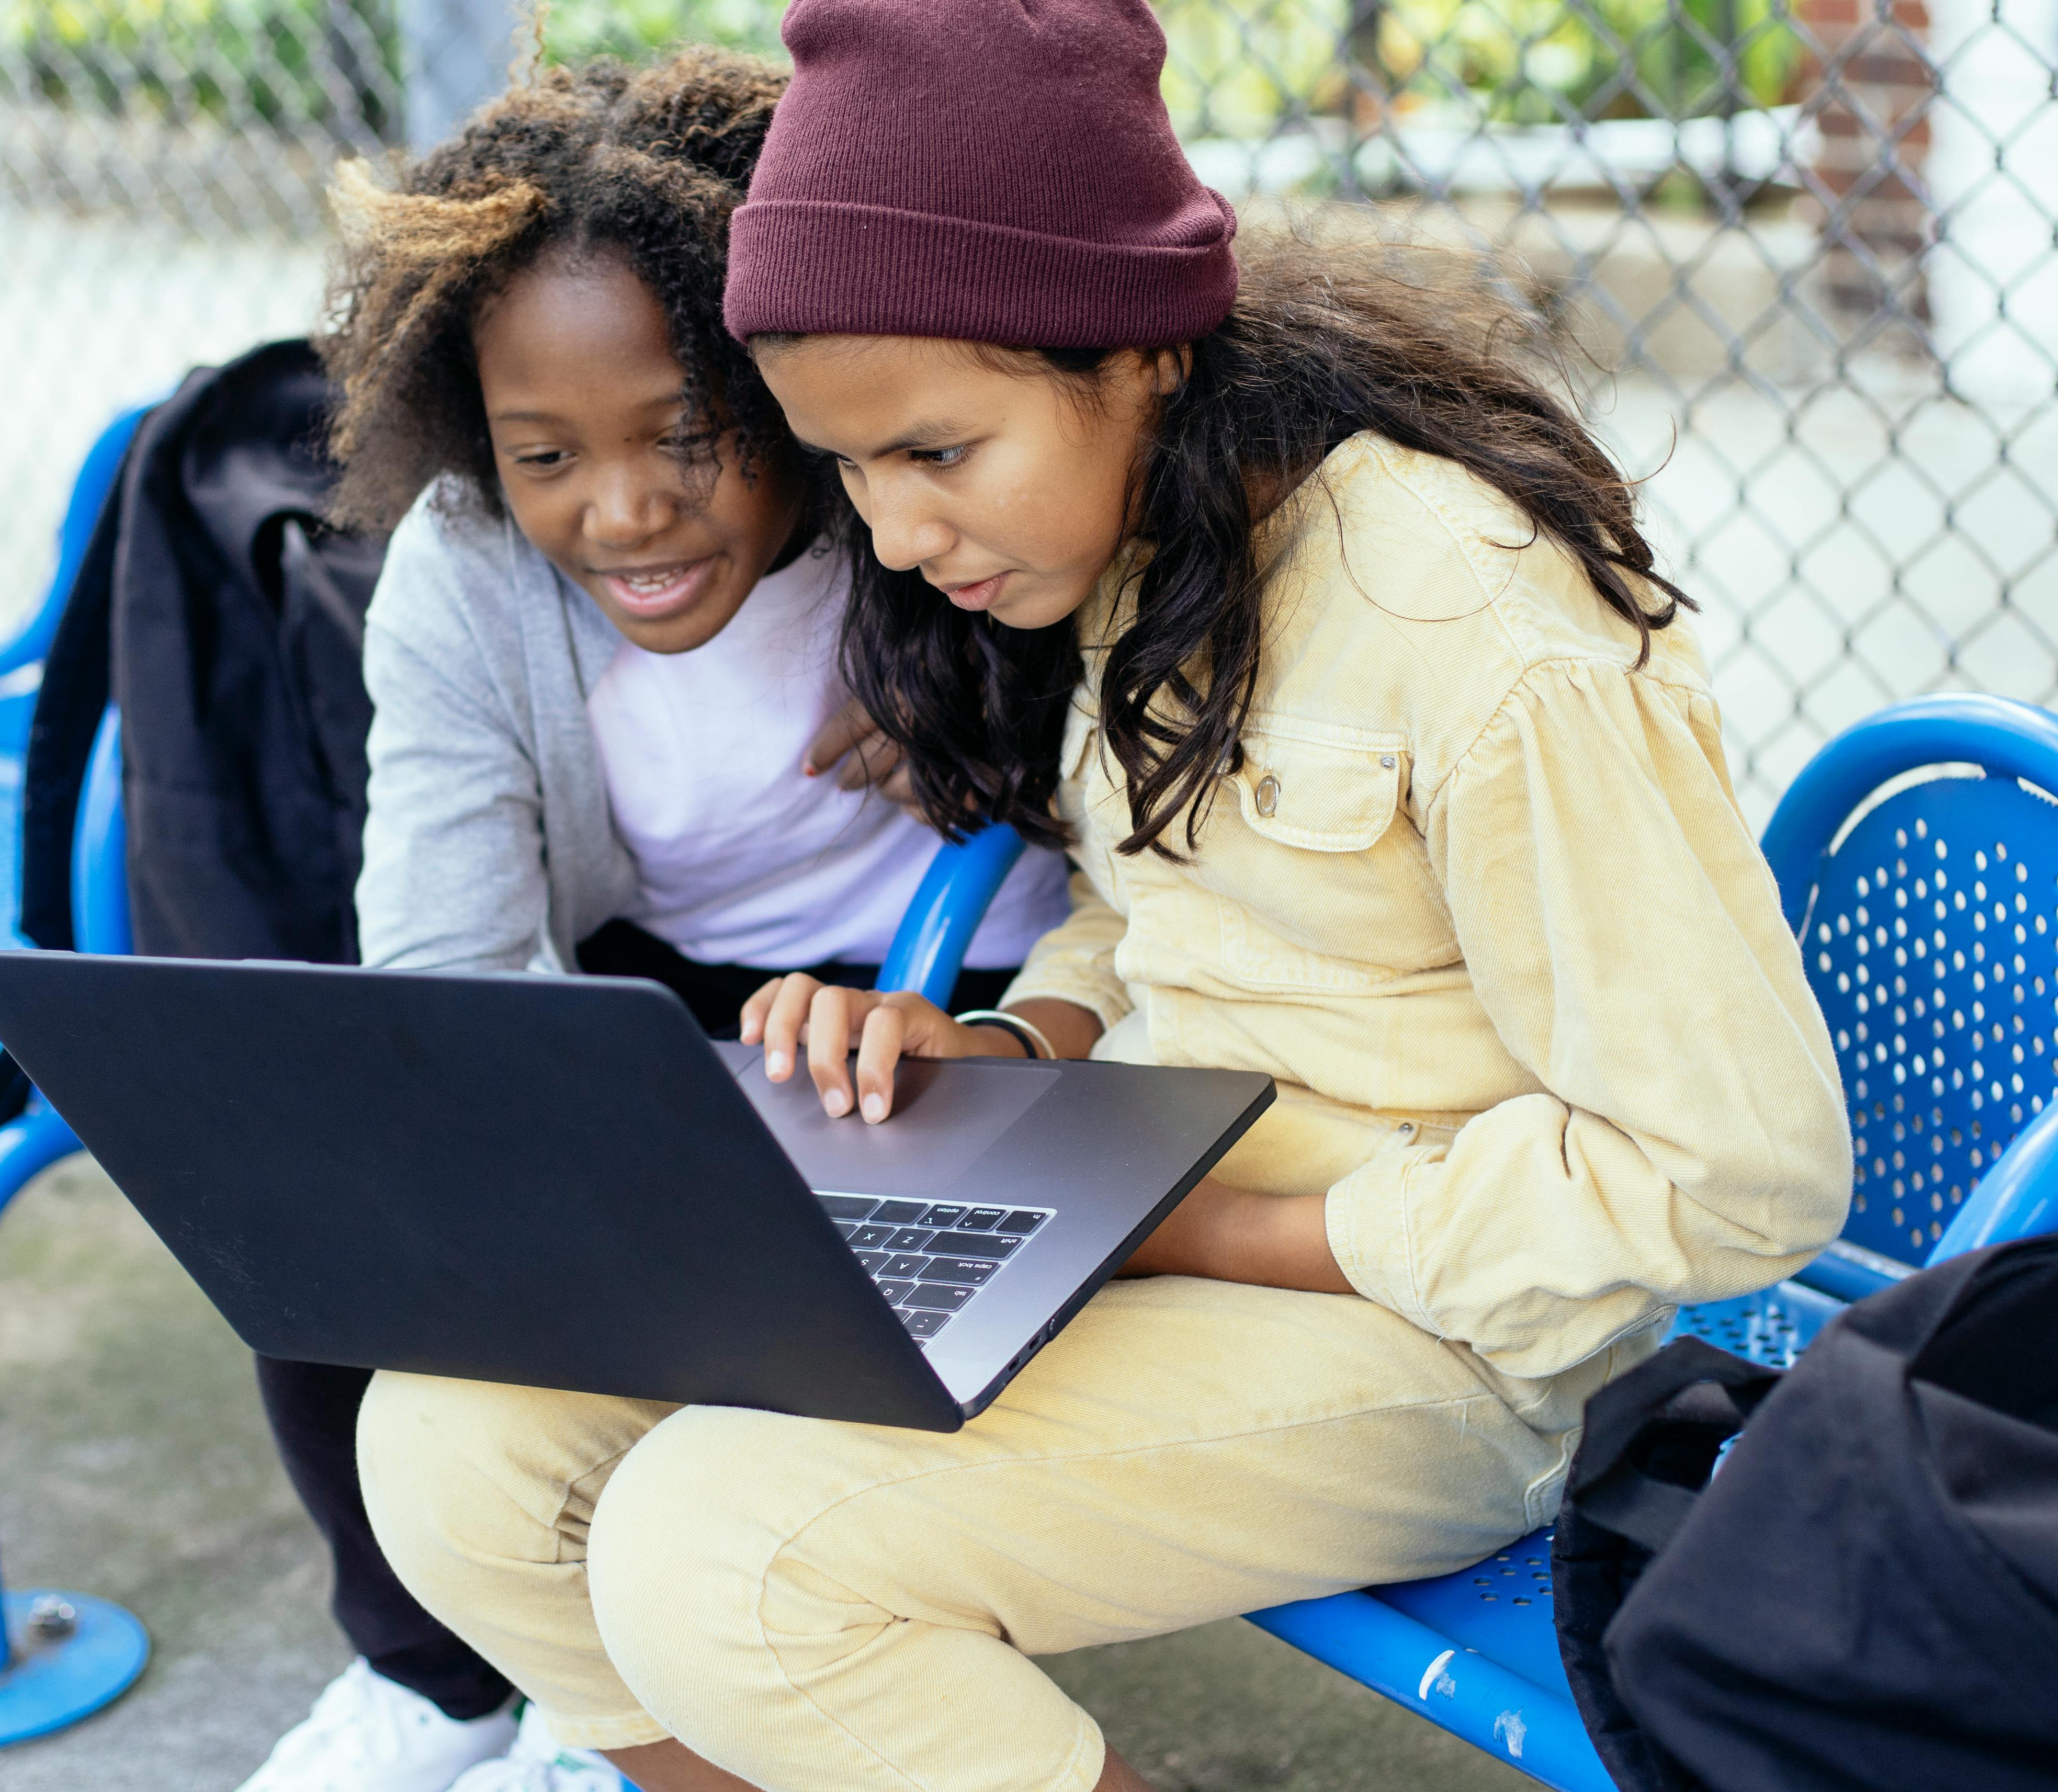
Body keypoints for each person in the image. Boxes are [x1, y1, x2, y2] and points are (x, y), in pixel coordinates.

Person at [353, 3, 1854, 1790]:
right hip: (1123, 1216)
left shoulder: (1473, 623)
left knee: (728, 1555)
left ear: (1137, 348)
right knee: (456, 1438)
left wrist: (1214, 1230)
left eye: (931, 453)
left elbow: (1735, 1171)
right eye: (845, 466)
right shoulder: (1137, 540)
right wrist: (1002, 1049)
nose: (892, 540)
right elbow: (1158, 917)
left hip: (1439, 1340)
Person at [235, 47, 1069, 1792]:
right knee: (335, 1261)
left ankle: (638, 1691)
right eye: (549, 452)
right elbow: (446, 965)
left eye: (687, 435)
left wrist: (987, 746)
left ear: (790, 392)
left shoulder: (914, 500)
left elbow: (1126, 771)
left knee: (738, 1332)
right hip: (664, 997)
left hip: (943, 997)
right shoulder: (472, 573)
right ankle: (457, 1681)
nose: (621, 509)